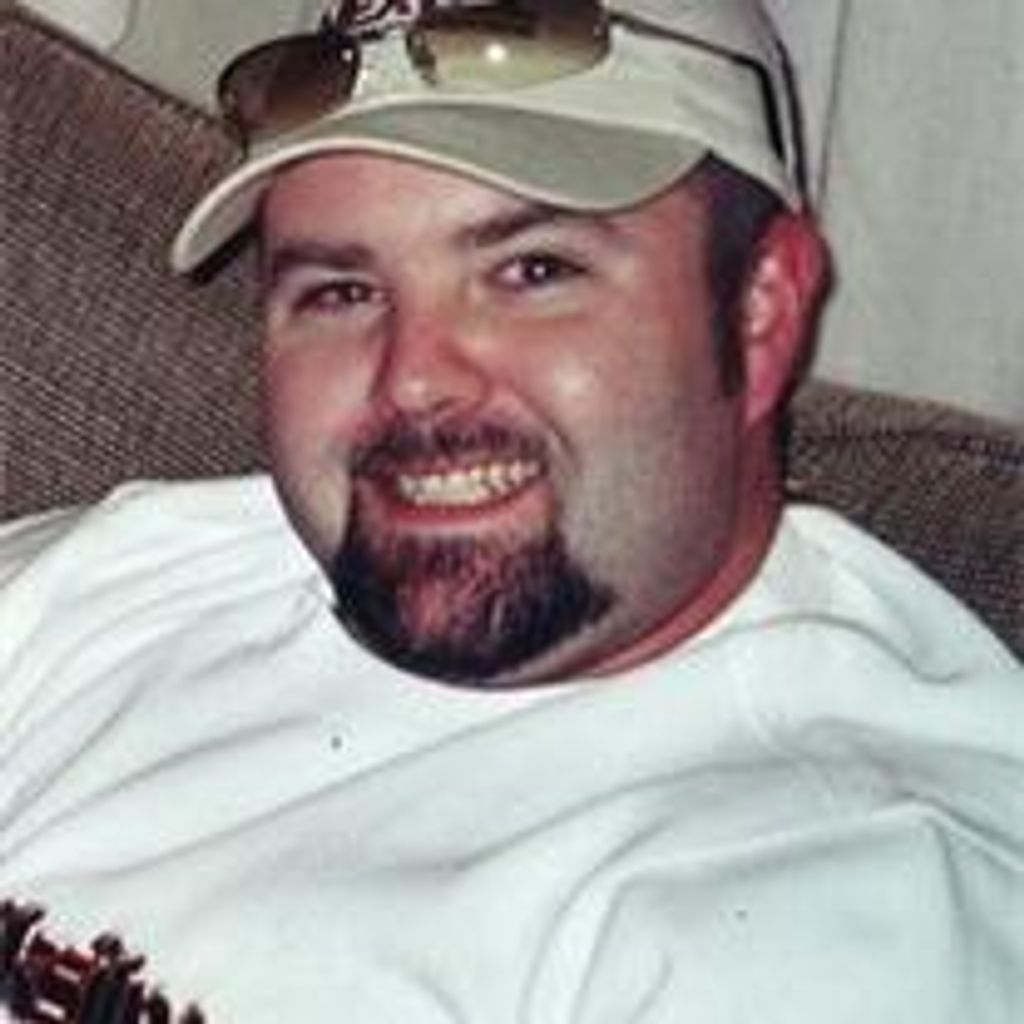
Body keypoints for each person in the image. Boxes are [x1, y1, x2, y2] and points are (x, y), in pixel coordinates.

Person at [1, 2, 1020, 1022]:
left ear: (762, 311)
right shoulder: (122, 581)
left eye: (531, 272)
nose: (413, 381)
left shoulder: (846, 907)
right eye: (342, 291)